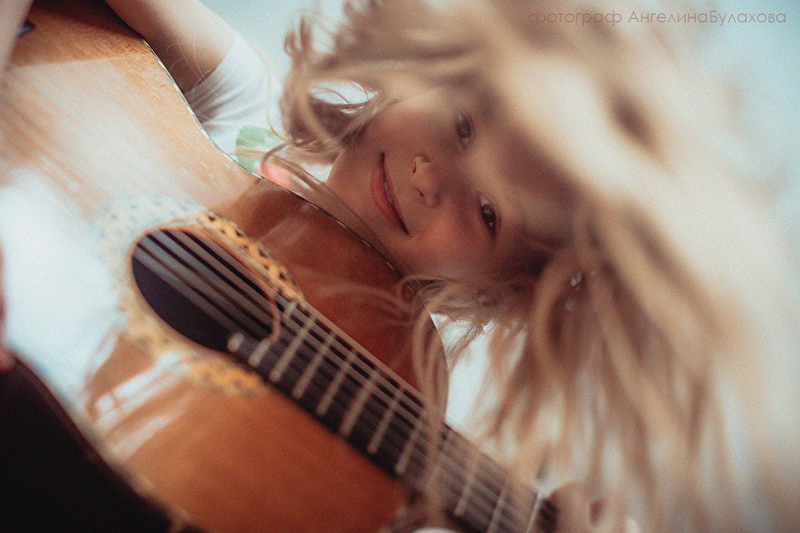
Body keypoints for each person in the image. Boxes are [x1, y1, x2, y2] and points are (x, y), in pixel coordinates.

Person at [19, 0, 800, 531]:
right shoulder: (248, 110)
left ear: (509, 284)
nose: (430, 180)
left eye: (488, 212)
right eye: (461, 125)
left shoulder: (389, 405)